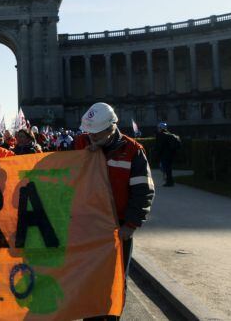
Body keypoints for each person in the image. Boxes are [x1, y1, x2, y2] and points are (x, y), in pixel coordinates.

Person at [75, 103, 155, 319]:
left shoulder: (133, 151)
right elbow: (53, 169)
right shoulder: (80, 144)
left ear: (111, 128)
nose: (90, 137)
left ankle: (111, 317)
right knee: (89, 278)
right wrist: (83, 156)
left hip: (117, 228)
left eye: (95, 133)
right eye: (88, 132)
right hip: (87, 228)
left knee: (116, 280)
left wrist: (130, 225)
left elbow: (143, 192)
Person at [154, 122, 181, 187]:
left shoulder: (161, 135)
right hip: (171, 154)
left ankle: (169, 182)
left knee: (166, 168)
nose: (158, 129)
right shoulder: (170, 134)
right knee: (169, 168)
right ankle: (170, 181)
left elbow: (160, 146)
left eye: (158, 128)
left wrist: (157, 154)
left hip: (164, 155)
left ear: (161, 128)